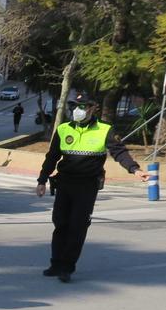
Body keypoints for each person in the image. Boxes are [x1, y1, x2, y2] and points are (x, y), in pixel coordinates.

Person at [36, 93, 149, 282]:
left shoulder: (104, 130)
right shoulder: (63, 129)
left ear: (91, 108)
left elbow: (119, 152)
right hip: (64, 183)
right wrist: (42, 180)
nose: (77, 110)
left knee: (77, 227)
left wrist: (134, 169)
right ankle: (55, 264)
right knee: (60, 224)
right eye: (74, 106)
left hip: (87, 186)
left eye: (82, 106)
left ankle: (67, 267)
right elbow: (52, 156)